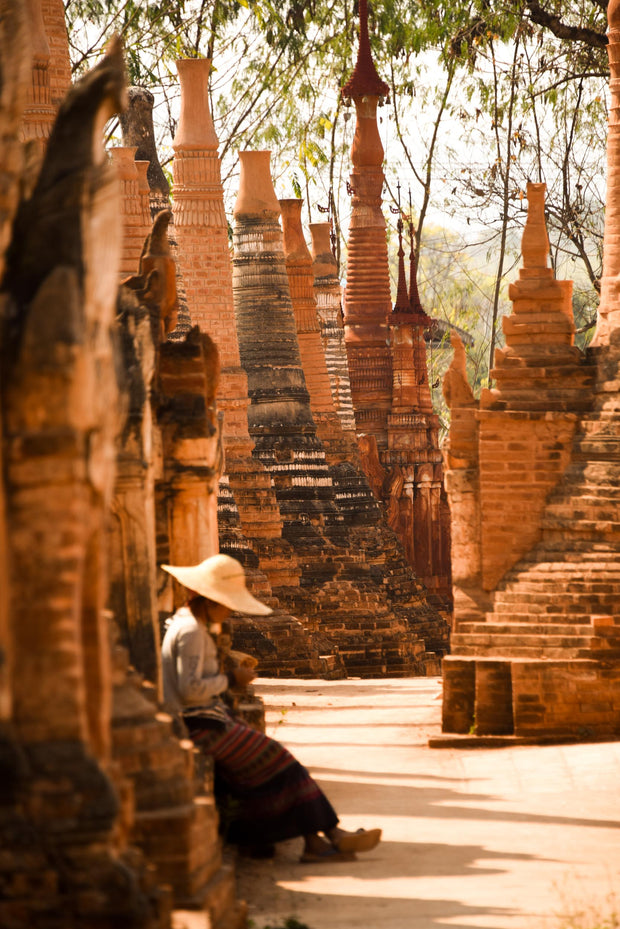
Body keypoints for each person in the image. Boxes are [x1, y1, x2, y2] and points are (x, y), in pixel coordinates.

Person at [160, 553, 382, 863]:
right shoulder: (192, 633)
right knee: (280, 760)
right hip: (198, 727)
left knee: (275, 763)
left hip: (206, 720)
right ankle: (325, 836)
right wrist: (230, 678)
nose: (229, 613)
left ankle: (320, 838)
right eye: (227, 605)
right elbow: (190, 689)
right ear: (210, 601)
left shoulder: (187, 625)